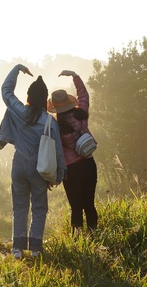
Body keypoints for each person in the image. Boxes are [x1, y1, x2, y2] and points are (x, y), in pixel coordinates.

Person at [0, 64, 66, 259]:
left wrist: (17, 69)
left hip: (18, 164)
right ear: (45, 100)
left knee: (19, 207)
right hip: (39, 168)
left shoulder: (18, 111)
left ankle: (17, 249)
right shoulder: (49, 121)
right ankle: (35, 249)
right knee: (39, 208)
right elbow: (58, 151)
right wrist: (59, 175)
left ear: (28, 97)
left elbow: (6, 91)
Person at [49, 69, 98, 234]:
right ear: (69, 102)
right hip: (89, 164)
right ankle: (93, 236)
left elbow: (54, 150)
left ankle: (77, 241)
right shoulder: (81, 114)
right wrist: (75, 76)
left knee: (76, 208)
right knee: (89, 205)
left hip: (71, 170)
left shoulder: (55, 126)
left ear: (55, 107)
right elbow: (84, 95)